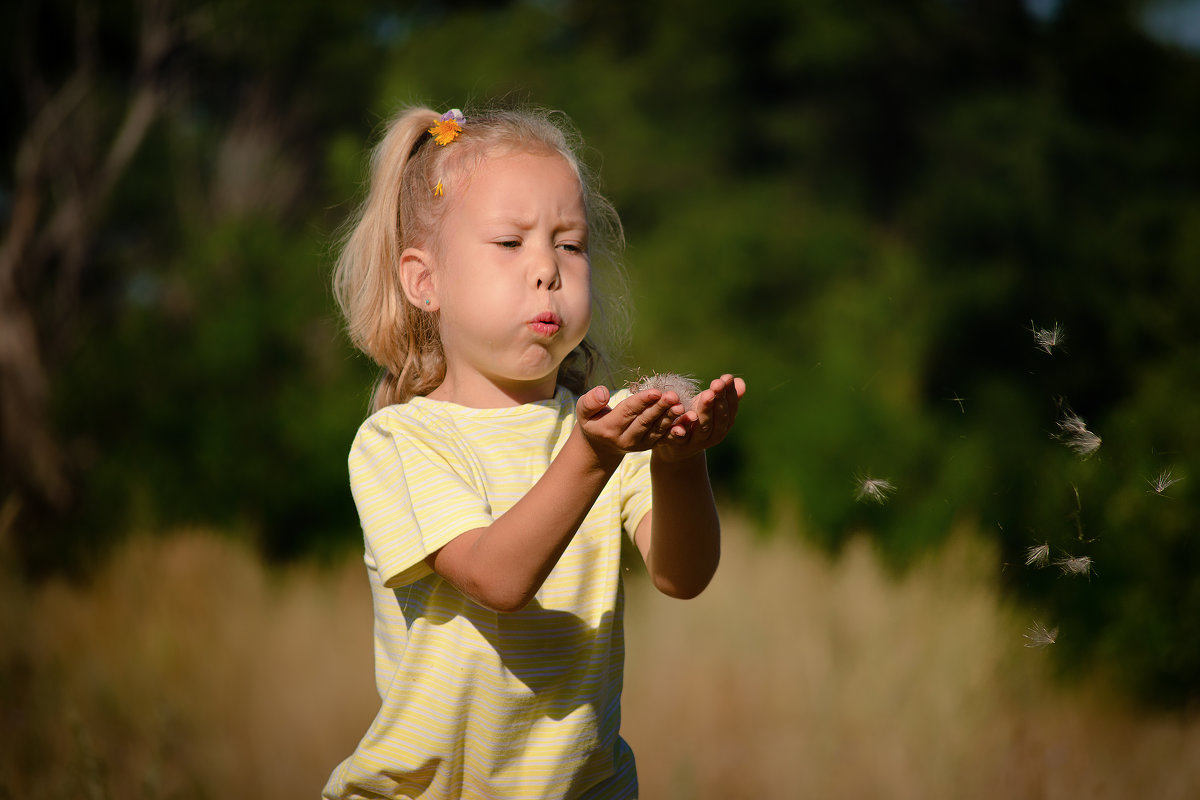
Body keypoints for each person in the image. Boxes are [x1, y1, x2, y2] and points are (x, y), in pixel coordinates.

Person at [322, 104, 746, 800]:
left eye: (570, 245)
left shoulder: (603, 430)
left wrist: (680, 461)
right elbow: (498, 578)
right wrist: (591, 457)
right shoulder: (402, 440)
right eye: (510, 244)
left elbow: (684, 573)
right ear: (424, 281)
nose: (547, 269)